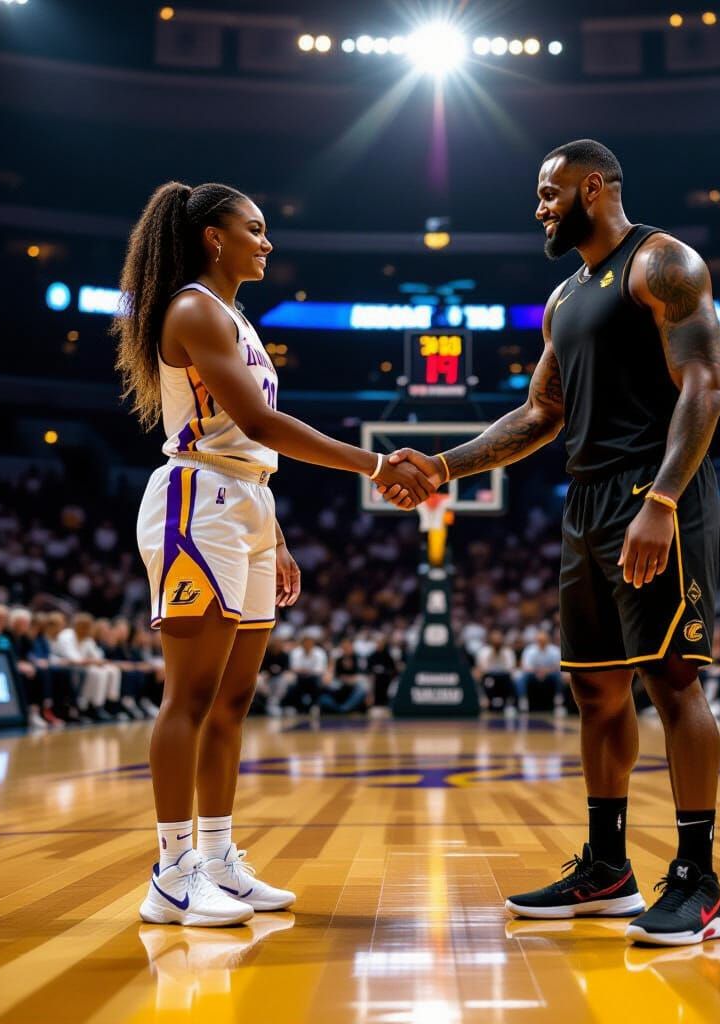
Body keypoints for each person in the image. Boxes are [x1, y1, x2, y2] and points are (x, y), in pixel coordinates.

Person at [382, 139, 720, 945]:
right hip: (588, 498)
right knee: (596, 690)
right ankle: (607, 867)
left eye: (550, 192)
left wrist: (665, 500)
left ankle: (700, 882)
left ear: (594, 187)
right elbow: (541, 414)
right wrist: (440, 466)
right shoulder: (564, 296)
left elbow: (705, 385)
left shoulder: (664, 262)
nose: (539, 207)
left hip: (656, 490)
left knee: (672, 680)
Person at [112, 180, 436, 927]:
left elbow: (249, 443)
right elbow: (258, 418)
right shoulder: (193, 307)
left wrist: (277, 533)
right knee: (188, 698)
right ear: (213, 239)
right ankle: (170, 870)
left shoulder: (237, 318)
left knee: (232, 701)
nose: (267, 242)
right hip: (198, 504)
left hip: (246, 503)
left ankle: (219, 856)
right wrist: (378, 464)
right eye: (254, 229)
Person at [517, 630, 564, 713]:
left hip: (550, 674)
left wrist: (546, 671)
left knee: (559, 676)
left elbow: (558, 666)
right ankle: (523, 700)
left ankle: (558, 701)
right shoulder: (529, 650)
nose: (541, 642)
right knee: (522, 678)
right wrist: (538, 671)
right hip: (533, 674)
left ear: (548, 640)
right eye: (539, 640)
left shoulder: (554, 650)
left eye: (544, 640)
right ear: (536, 640)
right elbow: (526, 667)